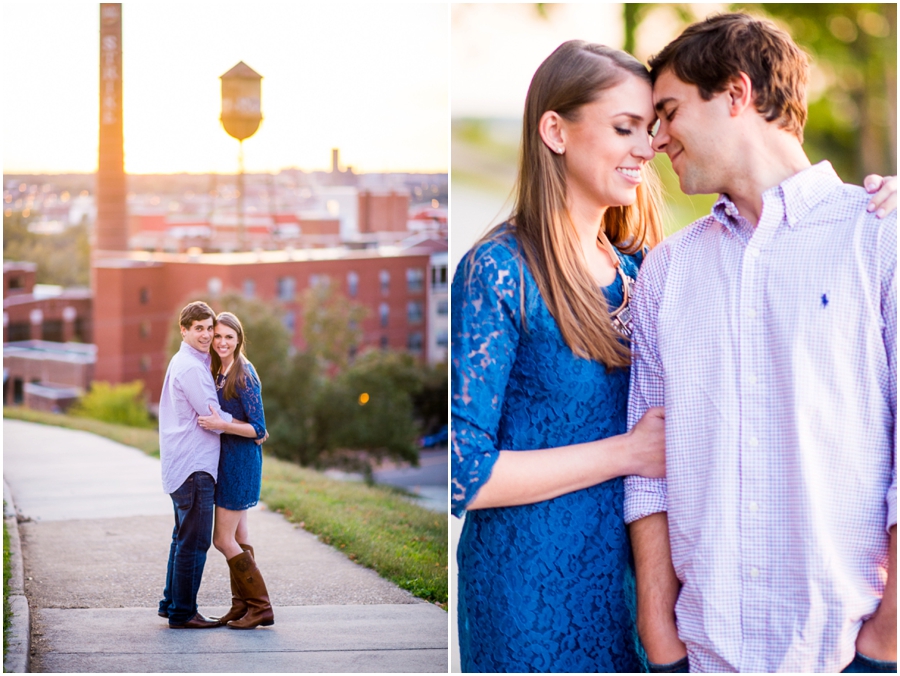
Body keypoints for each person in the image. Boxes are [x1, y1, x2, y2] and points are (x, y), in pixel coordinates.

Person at [624, 14, 897, 673]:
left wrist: (888, 640)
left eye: (668, 112)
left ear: (736, 94)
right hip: (704, 656)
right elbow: (648, 465)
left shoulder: (879, 237)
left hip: (846, 654)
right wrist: (660, 635)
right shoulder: (667, 270)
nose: (657, 140)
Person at [451, 41, 669, 672]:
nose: (646, 149)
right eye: (625, 128)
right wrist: (625, 453)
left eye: (650, 131)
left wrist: (868, 209)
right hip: (528, 595)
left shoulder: (643, 270)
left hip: (631, 591)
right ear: (555, 130)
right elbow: (465, 471)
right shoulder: (498, 270)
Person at [157, 301, 234, 629]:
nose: (206, 335)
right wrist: (248, 426)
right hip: (194, 468)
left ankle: (171, 603)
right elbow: (212, 417)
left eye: (209, 328)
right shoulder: (190, 367)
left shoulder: (187, 361)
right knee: (195, 541)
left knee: (182, 537)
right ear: (184, 330)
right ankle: (183, 613)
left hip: (183, 464)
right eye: (198, 328)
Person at [197, 311, 274, 629]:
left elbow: (259, 429)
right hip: (227, 462)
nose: (222, 342)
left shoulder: (244, 374)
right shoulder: (219, 370)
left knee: (222, 540)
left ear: (239, 339)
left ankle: (261, 606)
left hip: (239, 466)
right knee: (240, 538)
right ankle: (241, 606)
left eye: (229, 336)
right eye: (218, 336)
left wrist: (222, 423)